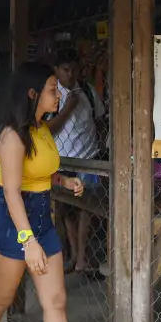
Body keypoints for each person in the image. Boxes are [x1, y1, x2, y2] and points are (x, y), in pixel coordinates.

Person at [0, 61, 117, 322]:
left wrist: (63, 180)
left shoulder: (41, 129)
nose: (59, 94)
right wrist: (28, 242)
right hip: (12, 223)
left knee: (55, 300)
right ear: (32, 93)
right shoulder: (11, 135)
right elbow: (12, 191)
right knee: (1, 300)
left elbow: (39, 173)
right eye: (54, 89)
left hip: (41, 218)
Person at [48, 50, 104, 277]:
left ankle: (81, 257)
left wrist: (100, 146)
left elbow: (99, 119)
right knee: (67, 210)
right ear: (56, 70)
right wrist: (68, 108)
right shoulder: (51, 96)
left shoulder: (88, 92)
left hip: (88, 159)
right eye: (65, 70)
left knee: (87, 208)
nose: (70, 75)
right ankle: (74, 255)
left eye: (73, 70)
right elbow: (47, 130)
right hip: (61, 161)